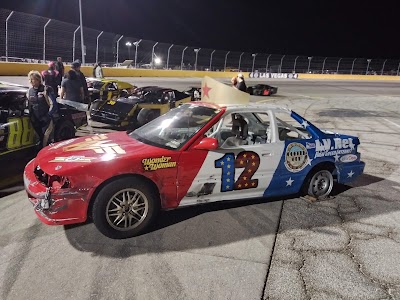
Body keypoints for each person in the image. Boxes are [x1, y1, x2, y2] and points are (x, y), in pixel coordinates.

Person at [26, 70, 58, 148]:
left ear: (38, 79)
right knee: (38, 140)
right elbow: (28, 106)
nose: (31, 81)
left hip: (46, 119)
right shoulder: (29, 91)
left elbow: (53, 104)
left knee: (46, 140)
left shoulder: (46, 89)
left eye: (33, 79)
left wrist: (48, 116)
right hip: (35, 120)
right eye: (30, 79)